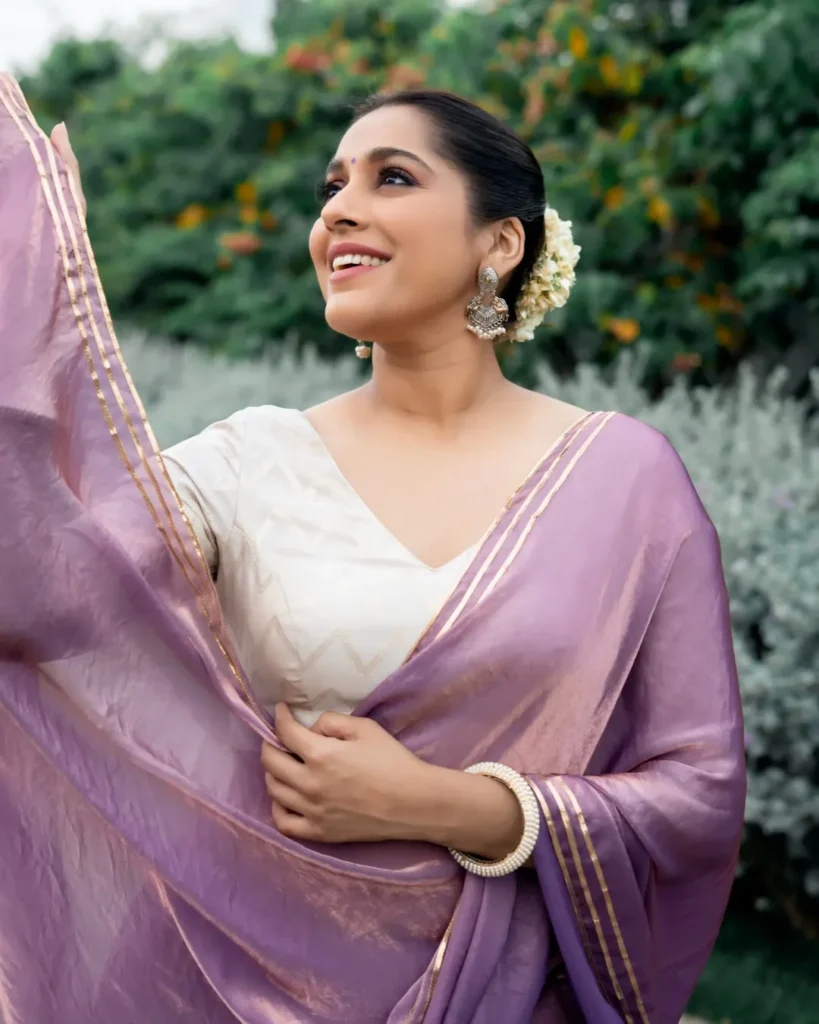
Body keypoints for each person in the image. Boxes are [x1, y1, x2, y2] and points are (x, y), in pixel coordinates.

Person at [0, 75, 745, 1023]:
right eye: (332, 187)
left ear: (500, 243)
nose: (338, 210)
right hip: (228, 982)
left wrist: (444, 805)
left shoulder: (626, 479)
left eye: (391, 178)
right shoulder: (249, 462)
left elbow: (697, 793)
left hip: (499, 993)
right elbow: (42, 587)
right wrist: (23, 288)